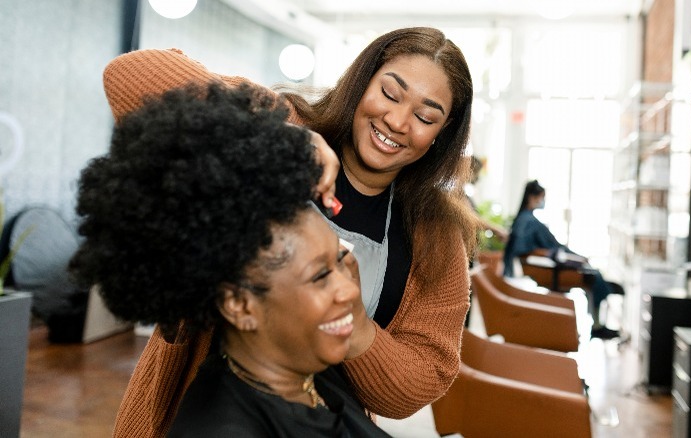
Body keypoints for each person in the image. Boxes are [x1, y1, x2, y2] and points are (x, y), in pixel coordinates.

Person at [101, 26, 479, 436]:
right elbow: (128, 75)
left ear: (443, 134)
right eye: (389, 93)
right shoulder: (281, 121)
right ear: (362, 82)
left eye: (426, 116)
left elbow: (420, 381)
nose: (398, 120)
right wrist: (276, 140)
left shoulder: (436, 233)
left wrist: (354, 326)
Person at [69, 83, 391, 436]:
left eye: (341, 261)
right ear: (239, 304)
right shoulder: (223, 428)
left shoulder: (305, 374)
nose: (349, 291)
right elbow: (128, 74)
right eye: (320, 276)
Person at [503, 180, 621, 339]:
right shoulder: (529, 222)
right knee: (595, 276)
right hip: (549, 270)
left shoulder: (524, 219)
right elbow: (542, 249)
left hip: (548, 264)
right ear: (532, 197)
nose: (543, 201)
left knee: (594, 275)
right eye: (542, 197)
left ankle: (598, 322)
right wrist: (573, 258)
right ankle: (598, 325)